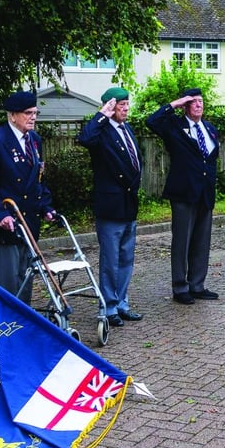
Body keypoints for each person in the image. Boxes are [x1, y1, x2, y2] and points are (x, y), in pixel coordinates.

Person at [0, 91, 55, 305]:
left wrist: (46, 206)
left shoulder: (34, 140)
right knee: (9, 283)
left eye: (35, 112)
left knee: (26, 279)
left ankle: (22, 329)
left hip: (29, 224)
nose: (33, 117)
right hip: (6, 225)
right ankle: (6, 330)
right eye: (28, 113)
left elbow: (38, 180)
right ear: (12, 115)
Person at [145, 88, 220, 305]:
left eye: (201, 101)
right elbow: (152, 121)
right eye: (194, 102)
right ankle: (180, 287)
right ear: (185, 106)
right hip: (183, 192)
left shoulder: (209, 128)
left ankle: (197, 284)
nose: (199, 105)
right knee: (182, 241)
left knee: (201, 240)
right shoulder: (175, 126)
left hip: (205, 192)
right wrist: (174, 104)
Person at [77, 87, 144, 328]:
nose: (125, 109)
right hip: (110, 205)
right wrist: (101, 115)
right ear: (109, 107)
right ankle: (109, 306)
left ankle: (122, 303)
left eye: (127, 104)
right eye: (120, 105)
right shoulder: (101, 132)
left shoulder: (128, 130)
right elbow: (84, 139)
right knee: (110, 260)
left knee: (127, 257)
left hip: (129, 204)